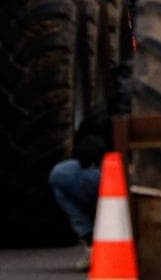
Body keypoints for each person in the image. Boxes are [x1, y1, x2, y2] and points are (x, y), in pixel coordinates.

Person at [49, 116, 108, 270]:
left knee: (59, 176)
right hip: (106, 172)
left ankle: (90, 241)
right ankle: (93, 242)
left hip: (97, 170)